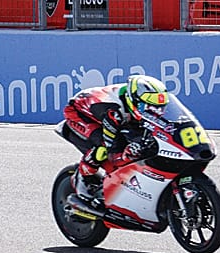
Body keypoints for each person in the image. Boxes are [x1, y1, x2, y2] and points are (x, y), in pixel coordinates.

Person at [63, 74, 170, 202]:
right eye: (148, 107)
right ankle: (82, 178)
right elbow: (113, 153)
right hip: (79, 113)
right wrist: (126, 155)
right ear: (133, 100)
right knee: (102, 146)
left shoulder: (136, 100)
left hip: (112, 114)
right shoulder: (113, 111)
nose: (154, 112)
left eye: (159, 108)